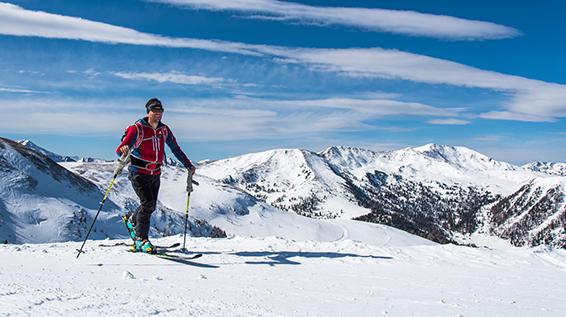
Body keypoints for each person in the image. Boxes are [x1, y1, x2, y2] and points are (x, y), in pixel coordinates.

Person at [116, 98, 196, 253]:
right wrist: (124, 149)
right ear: (148, 111)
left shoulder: (164, 130)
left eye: (161, 111)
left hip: (155, 173)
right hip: (138, 172)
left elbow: (175, 148)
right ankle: (141, 240)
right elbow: (120, 150)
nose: (158, 113)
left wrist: (188, 165)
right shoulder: (137, 128)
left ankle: (132, 220)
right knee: (148, 204)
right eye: (155, 110)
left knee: (150, 206)